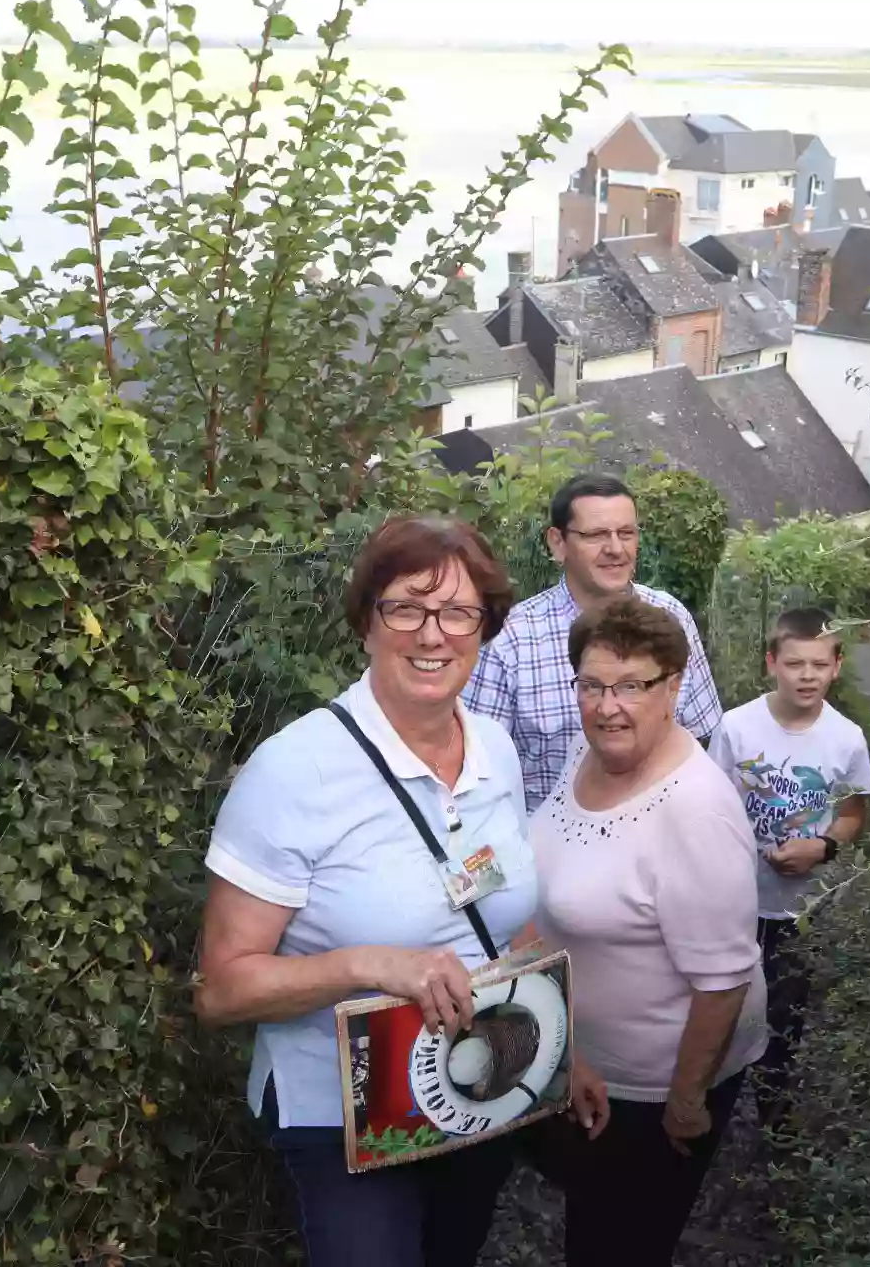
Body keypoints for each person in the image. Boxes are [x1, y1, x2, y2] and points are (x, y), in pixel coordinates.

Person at [195, 516, 534, 1267]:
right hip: (344, 1112)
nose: (433, 634)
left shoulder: (497, 752)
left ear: (486, 628)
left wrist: (558, 1035)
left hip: (472, 1085)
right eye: (406, 608)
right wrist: (370, 965)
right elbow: (220, 990)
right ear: (367, 622)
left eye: (458, 612)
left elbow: (510, 915)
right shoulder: (294, 772)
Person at [527, 597, 767, 1265]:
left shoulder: (694, 810)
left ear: (674, 686)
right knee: (593, 1229)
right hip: (584, 1067)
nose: (609, 706)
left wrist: (686, 1104)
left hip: (652, 1088)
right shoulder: (589, 748)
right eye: (593, 685)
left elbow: (723, 978)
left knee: (622, 1246)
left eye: (633, 686)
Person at [465, 473, 722, 812]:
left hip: (661, 839)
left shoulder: (672, 616)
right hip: (549, 852)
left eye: (626, 533)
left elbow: (703, 736)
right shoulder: (511, 639)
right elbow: (480, 771)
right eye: (597, 535)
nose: (615, 549)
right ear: (558, 543)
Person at [708, 607, 870, 1073]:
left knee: (784, 1020)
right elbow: (706, 806)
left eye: (819, 665)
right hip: (733, 902)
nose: (807, 676)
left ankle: (774, 1119)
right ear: (771, 662)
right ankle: (709, 1097)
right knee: (722, 1007)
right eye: (795, 663)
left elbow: (853, 810)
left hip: (801, 909)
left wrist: (822, 848)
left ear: (837, 666)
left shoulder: (847, 739)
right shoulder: (735, 727)